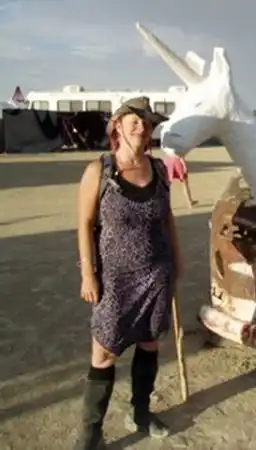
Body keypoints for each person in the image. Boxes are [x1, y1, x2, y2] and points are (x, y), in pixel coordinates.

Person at [74, 97, 182, 449]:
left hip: (157, 273)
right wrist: (88, 274)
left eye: (147, 122)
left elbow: (167, 219)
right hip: (114, 280)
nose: (141, 124)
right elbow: (84, 223)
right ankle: (91, 433)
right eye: (133, 118)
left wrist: (177, 259)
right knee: (104, 352)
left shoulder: (160, 169)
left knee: (149, 343)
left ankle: (141, 411)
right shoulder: (100, 170)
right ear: (117, 125)